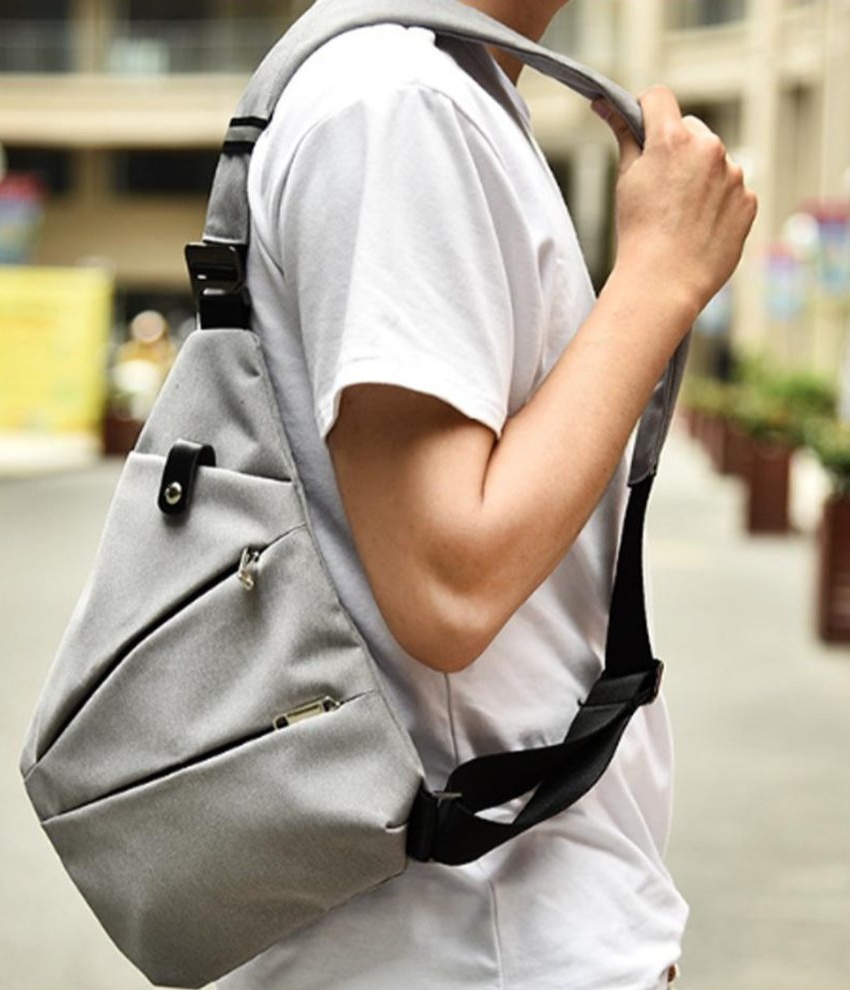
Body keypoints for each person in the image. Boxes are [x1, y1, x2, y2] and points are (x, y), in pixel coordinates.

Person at [219, 1, 757, 988]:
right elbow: (446, 582)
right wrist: (662, 275)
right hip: (475, 936)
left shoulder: (434, 86)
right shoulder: (397, 104)